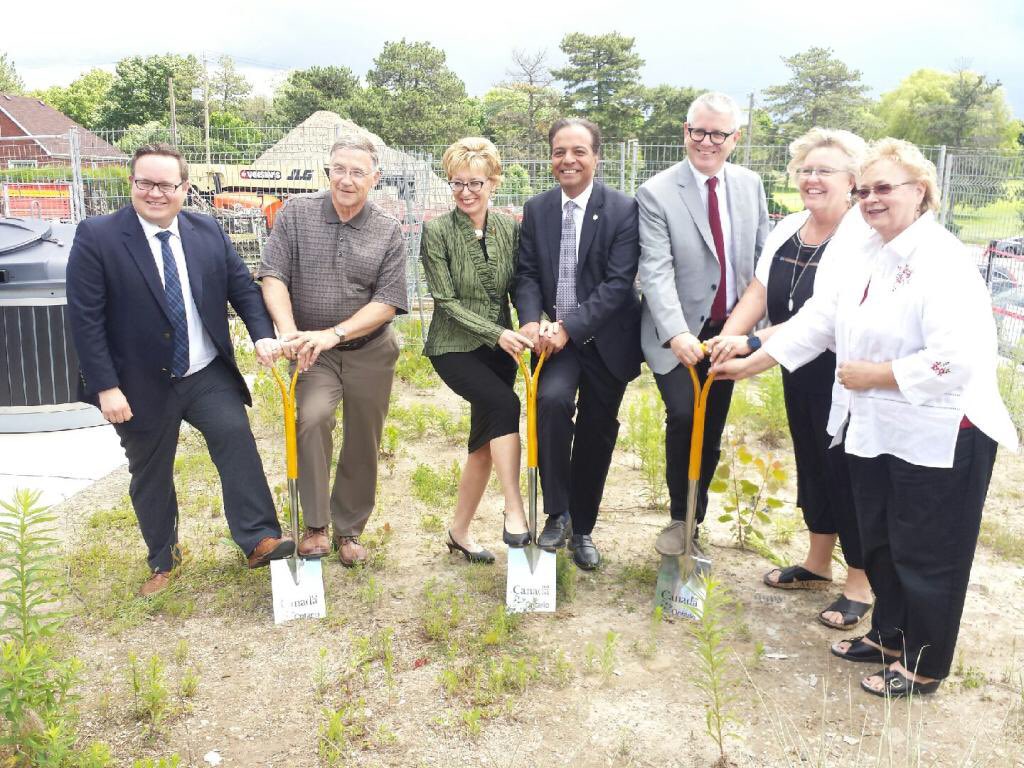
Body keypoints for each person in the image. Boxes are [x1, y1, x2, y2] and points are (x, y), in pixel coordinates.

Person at [712, 138, 1018, 698]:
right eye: (864, 190)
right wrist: (751, 361)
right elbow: (819, 320)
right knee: (880, 540)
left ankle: (923, 665)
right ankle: (889, 636)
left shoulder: (942, 260)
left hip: (941, 432)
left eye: (884, 188)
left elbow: (957, 359)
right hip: (876, 426)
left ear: (920, 192)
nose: (871, 199)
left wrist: (877, 375)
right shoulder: (867, 252)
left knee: (926, 552)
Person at [66, 143, 294, 597]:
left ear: (184, 188)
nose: (155, 193)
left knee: (235, 439)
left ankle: (259, 539)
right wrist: (107, 387)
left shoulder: (206, 231)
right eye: (145, 183)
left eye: (165, 185)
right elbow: (84, 319)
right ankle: (163, 560)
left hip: (205, 373)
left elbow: (242, 289)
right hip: (137, 383)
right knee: (150, 472)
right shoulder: (98, 237)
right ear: (132, 183)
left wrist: (262, 335)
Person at [705, 128, 874, 630]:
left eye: (825, 171)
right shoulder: (791, 228)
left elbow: (821, 318)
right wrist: (728, 337)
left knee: (846, 472)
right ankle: (818, 563)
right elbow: (759, 291)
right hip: (799, 367)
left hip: (844, 372)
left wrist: (753, 345)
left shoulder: (861, 238)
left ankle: (860, 583)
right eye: (805, 170)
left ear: (852, 181)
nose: (812, 179)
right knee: (813, 462)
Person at [258, 135, 407, 567]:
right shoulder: (296, 213)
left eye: (357, 172)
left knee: (364, 435)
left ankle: (350, 528)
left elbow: (388, 301)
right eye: (339, 169)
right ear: (328, 171)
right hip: (311, 351)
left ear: (375, 178)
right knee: (312, 418)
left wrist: (335, 333)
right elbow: (273, 275)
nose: (346, 179)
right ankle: (315, 525)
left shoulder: (387, 229)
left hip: (370, 349)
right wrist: (290, 333)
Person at [636, 92, 769, 557]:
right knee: (684, 415)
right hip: (677, 332)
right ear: (685, 131)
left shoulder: (750, 185)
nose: (706, 142)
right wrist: (677, 333)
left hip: (730, 329)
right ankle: (680, 517)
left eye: (718, 134)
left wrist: (749, 331)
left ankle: (694, 520)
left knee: (710, 428)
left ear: (735, 138)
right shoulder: (656, 192)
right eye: (698, 131)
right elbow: (655, 271)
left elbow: (761, 260)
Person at [515, 117, 642, 570]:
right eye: (559, 152)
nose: (567, 160)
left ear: (596, 157)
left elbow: (618, 284)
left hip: (606, 338)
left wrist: (569, 325)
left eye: (578, 151)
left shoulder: (623, 209)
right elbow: (527, 273)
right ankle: (558, 513)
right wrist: (531, 321)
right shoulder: (538, 209)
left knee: (596, 430)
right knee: (550, 405)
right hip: (556, 342)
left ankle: (583, 528)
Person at [419, 137, 534, 563]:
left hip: (500, 350)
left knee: (484, 443)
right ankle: (514, 509)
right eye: (457, 183)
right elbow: (445, 302)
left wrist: (532, 323)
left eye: (475, 183)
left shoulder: (510, 228)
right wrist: (497, 333)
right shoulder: (437, 232)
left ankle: (459, 531)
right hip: (453, 346)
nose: (465, 192)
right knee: (505, 405)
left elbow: (520, 285)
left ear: (494, 183)